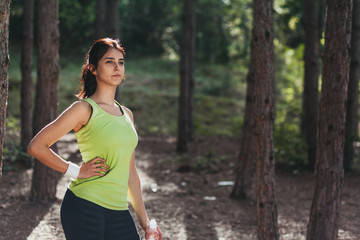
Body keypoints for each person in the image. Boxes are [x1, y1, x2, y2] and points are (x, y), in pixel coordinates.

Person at [27, 38, 163, 240]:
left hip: (119, 211)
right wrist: (76, 171)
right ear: (93, 68)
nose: (117, 67)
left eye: (121, 62)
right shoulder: (83, 109)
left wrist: (145, 223)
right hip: (85, 206)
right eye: (109, 61)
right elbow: (37, 146)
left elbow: (131, 173)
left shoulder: (127, 114)